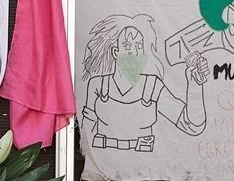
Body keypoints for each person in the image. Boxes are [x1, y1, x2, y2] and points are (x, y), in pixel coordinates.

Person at [80, 14, 209, 152]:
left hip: (145, 168)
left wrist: (194, 84)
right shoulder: (98, 85)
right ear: (115, 52)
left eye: (139, 46)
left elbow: (192, 125)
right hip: (103, 168)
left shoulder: (152, 86)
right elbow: (86, 133)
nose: (134, 52)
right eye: (127, 46)